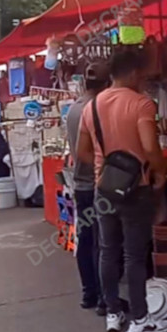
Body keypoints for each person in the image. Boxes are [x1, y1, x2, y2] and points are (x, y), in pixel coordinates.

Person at [78, 47, 167, 332]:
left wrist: (104, 163)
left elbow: (81, 151)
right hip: (136, 189)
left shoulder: (90, 107)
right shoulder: (142, 104)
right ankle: (140, 319)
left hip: (103, 188)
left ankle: (114, 313)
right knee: (133, 256)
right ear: (132, 73)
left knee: (108, 250)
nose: (143, 80)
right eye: (141, 75)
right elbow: (150, 147)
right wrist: (160, 173)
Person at [66, 61, 109, 314]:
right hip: (97, 184)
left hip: (81, 185)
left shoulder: (74, 109)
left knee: (86, 239)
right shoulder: (96, 109)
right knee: (102, 242)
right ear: (106, 84)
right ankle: (104, 297)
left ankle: (89, 292)